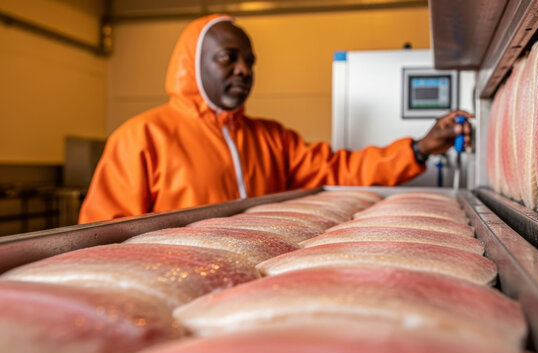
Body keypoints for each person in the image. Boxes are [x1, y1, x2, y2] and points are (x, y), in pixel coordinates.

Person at [78, 14, 471, 224]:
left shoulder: (272, 138)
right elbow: (102, 238)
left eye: (249, 61)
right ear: (192, 65)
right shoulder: (142, 137)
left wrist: (419, 148)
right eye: (227, 57)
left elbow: (340, 169)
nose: (244, 70)